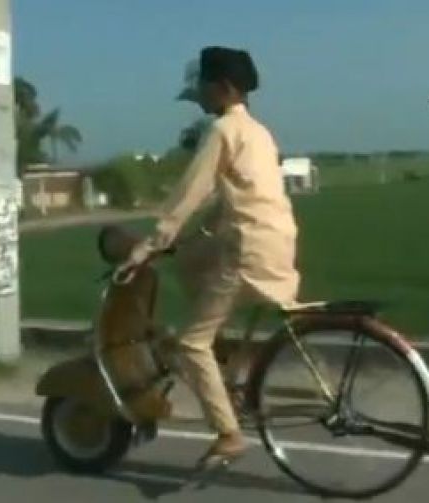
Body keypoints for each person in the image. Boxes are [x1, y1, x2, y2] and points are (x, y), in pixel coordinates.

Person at [116, 46, 301, 467]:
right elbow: (229, 203)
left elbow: (188, 195)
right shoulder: (259, 132)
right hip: (278, 241)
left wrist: (149, 246)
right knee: (191, 261)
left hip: (249, 251)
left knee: (189, 344)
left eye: (202, 85)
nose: (197, 94)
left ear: (223, 88)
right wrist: (187, 243)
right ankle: (220, 358)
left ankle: (228, 433)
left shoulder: (220, 132)